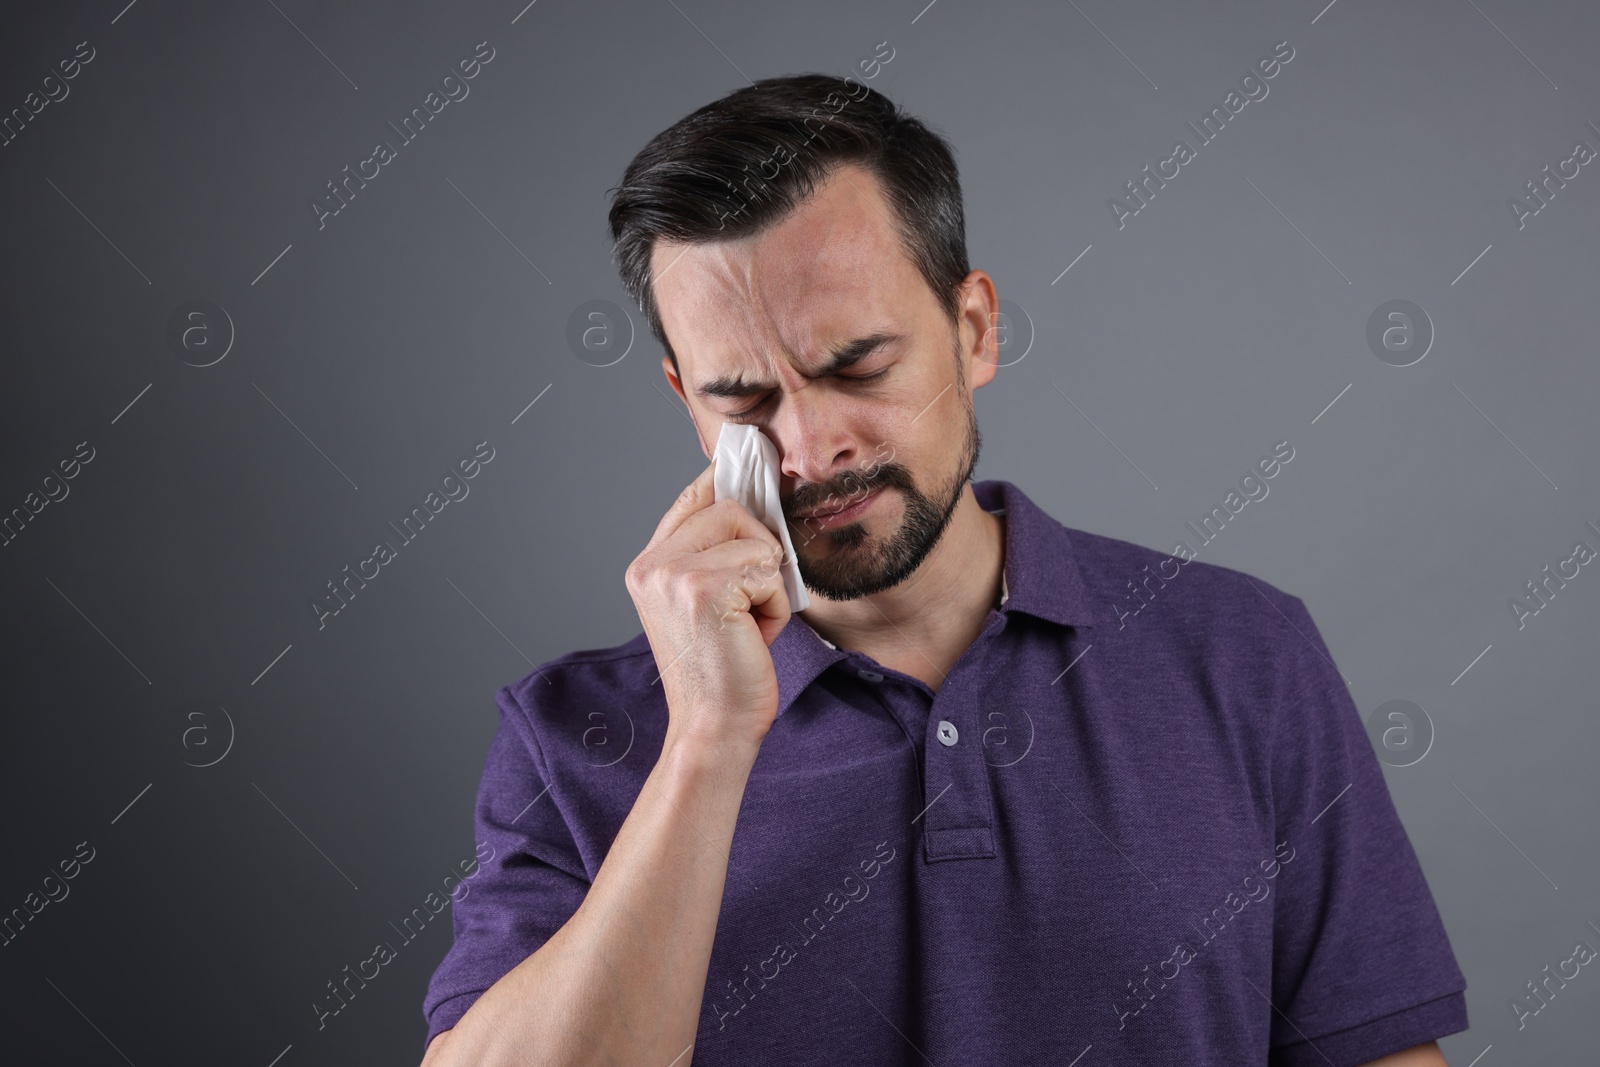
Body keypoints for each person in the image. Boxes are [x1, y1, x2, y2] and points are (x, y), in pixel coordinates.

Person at [418, 73, 1468, 1066]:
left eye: (859, 365)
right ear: (686, 404)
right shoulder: (569, 731)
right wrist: (705, 739)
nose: (812, 442)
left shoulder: (1243, 655)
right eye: (743, 400)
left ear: (972, 330)